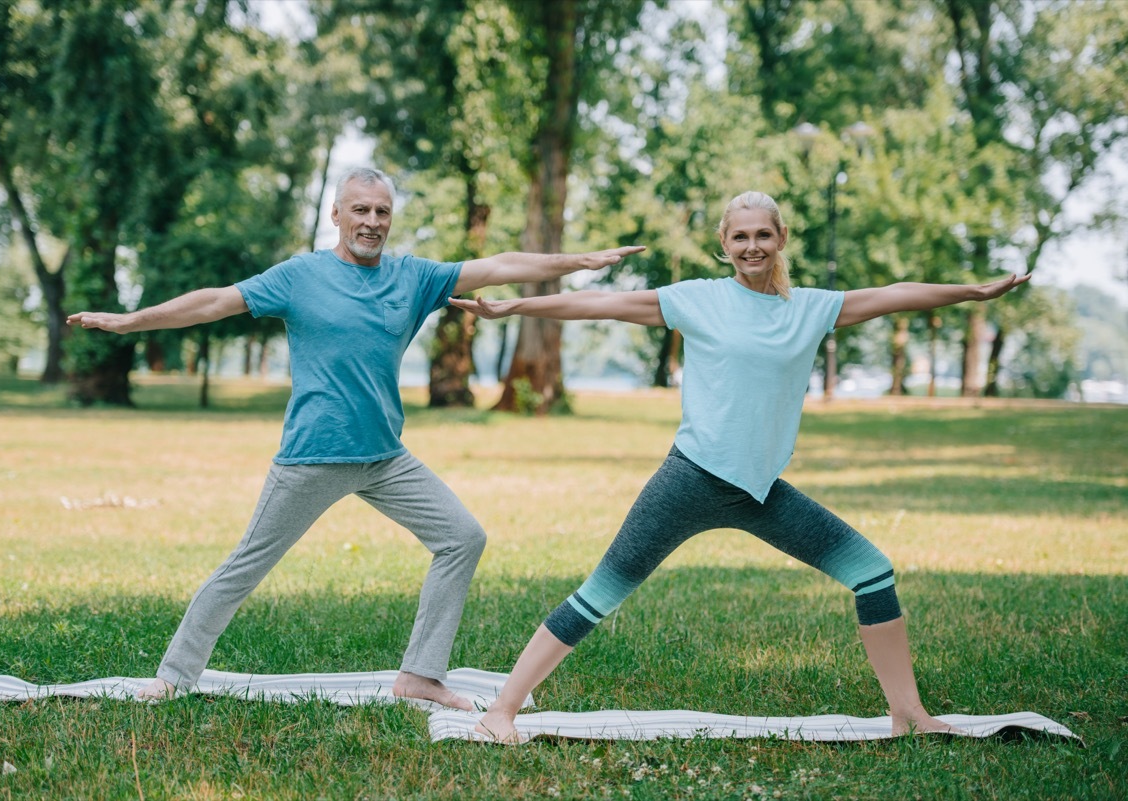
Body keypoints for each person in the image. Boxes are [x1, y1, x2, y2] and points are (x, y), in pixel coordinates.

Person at [450, 190, 1030, 740]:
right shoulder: (700, 298)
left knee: (871, 571)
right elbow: (603, 304)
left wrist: (972, 294)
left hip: (759, 490)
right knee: (600, 594)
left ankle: (909, 714)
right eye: (740, 236)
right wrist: (515, 305)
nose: (752, 246)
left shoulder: (811, 309)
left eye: (763, 235)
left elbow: (895, 294)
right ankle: (502, 711)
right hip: (690, 479)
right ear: (724, 243)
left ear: (781, 239)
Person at [67, 167, 643, 709]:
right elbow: (215, 302)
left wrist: (579, 260)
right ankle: (172, 678)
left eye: (382, 211)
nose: (372, 221)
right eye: (360, 209)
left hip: (385, 458)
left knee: (462, 538)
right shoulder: (300, 276)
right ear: (337, 216)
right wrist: (128, 321)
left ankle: (420, 676)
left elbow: (498, 265)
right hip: (312, 457)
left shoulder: (413, 277)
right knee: (245, 567)